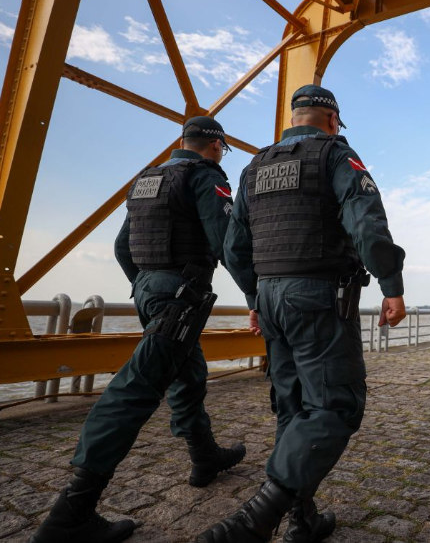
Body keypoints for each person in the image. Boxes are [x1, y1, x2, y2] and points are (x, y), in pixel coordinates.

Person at [196, 85, 406, 543]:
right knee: (334, 403)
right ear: (332, 120)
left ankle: (302, 520)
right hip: (318, 295)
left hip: (270, 297)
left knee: (292, 407)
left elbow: (233, 248)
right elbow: (367, 226)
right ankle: (257, 518)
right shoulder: (335, 155)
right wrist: (391, 286)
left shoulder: (253, 167)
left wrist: (256, 298)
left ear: (294, 119)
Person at [29, 117, 246, 543]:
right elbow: (228, 244)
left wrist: (145, 282)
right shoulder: (203, 177)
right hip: (180, 295)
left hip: (149, 288)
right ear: (216, 146)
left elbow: (120, 246)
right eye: (222, 149)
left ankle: (204, 455)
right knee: (135, 389)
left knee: (188, 368)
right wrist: (256, 298)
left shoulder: (147, 180)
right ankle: (71, 513)